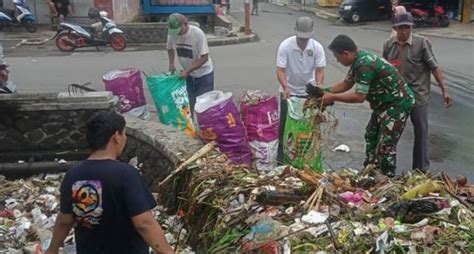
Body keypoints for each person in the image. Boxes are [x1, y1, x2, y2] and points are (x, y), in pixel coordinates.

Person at [45, 111, 174, 254]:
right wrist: (167, 251)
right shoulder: (126, 175)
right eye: (124, 134)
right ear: (117, 137)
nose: (125, 138)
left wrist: (52, 249)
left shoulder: (73, 175)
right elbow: (143, 223)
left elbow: (65, 220)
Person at [319, 34, 414, 177]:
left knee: (386, 143)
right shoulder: (357, 61)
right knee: (371, 134)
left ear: (346, 53)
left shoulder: (365, 65)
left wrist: (332, 97)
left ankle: (386, 178)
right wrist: (323, 91)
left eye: (338, 57)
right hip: (382, 104)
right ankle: (370, 170)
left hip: (397, 103)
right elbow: (347, 84)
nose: (337, 61)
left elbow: (359, 97)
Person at [383, 12, 452, 172]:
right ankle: (386, 168)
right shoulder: (388, 45)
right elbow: (384, 70)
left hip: (417, 97)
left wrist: (444, 90)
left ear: (411, 28)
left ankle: (421, 170)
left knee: (421, 132)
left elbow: (434, 68)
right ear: (395, 28)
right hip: (397, 98)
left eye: (407, 27)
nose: (404, 31)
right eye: (401, 28)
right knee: (390, 132)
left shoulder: (421, 44)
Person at [276, 16, 326, 163]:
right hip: (289, 92)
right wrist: (286, 87)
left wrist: (318, 88)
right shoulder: (285, 46)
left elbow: (320, 70)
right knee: (285, 126)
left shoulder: (317, 47)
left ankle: (306, 155)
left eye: (306, 39)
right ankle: (282, 156)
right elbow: (280, 70)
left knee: (308, 126)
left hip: (307, 92)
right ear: (295, 32)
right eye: (300, 38)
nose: (303, 41)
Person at [167, 13, 214, 114]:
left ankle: (205, 127)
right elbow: (170, 49)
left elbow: (204, 57)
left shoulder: (197, 34)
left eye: (179, 31)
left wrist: (187, 70)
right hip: (188, 74)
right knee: (189, 103)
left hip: (204, 74)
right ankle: (191, 126)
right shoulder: (172, 33)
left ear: (185, 24)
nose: (177, 34)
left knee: (204, 105)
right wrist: (171, 64)